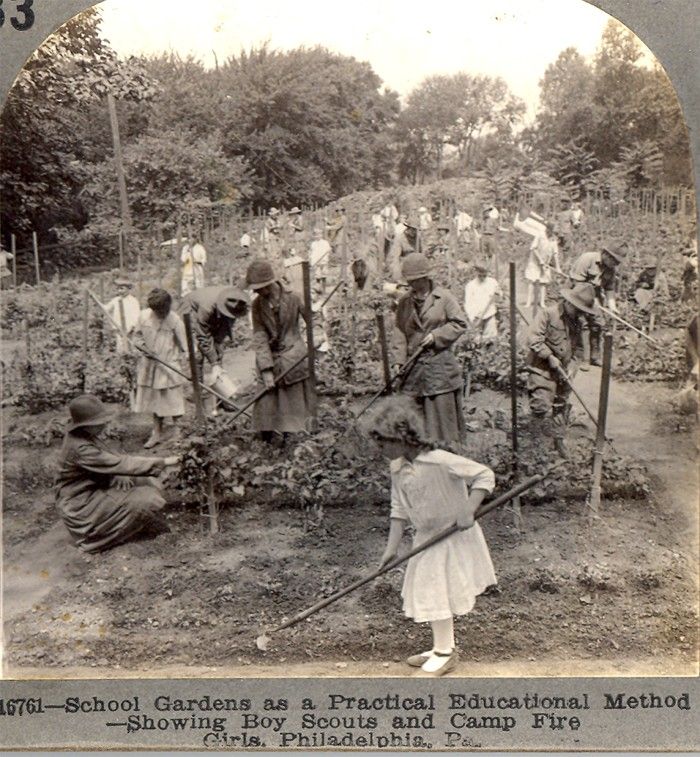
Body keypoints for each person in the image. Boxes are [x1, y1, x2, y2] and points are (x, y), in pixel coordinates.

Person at [370, 396, 497, 676]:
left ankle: (444, 653)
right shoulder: (397, 467)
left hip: (451, 536)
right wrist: (391, 548)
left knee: (437, 590)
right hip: (426, 537)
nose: (379, 449)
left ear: (402, 437)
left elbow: (484, 475)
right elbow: (399, 508)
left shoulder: (440, 461)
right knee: (431, 590)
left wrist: (469, 509)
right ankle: (443, 645)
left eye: (383, 443)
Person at [55, 394, 179, 553]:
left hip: (91, 490)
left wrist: (119, 472)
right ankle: (94, 540)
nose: (104, 424)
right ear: (85, 425)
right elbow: (118, 463)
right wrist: (166, 461)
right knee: (147, 499)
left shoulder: (83, 435)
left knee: (143, 480)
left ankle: (132, 519)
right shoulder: (80, 448)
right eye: (99, 422)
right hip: (80, 505)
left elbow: (110, 458)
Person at [394, 253, 467, 444]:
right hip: (413, 368)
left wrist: (437, 336)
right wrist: (399, 360)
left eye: (414, 281)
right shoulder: (405, 302)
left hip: (439, 366)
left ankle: (445, 453)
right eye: (409, 281)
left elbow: (460, 323)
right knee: (414, 415)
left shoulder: (443, 298)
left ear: (424, 278)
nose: (411, 285)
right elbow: (400, 331)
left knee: (440, 414)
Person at [526, 283, 594, 458]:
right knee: (541, 405)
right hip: (542, 369)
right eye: (578, 309)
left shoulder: (578, 322)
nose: (581, 313)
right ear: (569, 303)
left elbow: (579, 349)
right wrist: (549, 356)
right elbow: (534, 339)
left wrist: (572, 367)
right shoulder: (548, 314)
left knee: (561, 406)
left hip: (563, 371)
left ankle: (558, 441)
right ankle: (535, 446)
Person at [246, 259, 311, 442]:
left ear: (270, 284)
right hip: (271, 356)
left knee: (293, 403)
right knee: (265, 401)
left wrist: (319, 337)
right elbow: (259, 336)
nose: (256, 292)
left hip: (293, 355)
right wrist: (266, 369)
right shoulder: (257, 305)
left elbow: (314, 321)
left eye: (259, 288)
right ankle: (266, 440)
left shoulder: (295, 297)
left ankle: (294, 439)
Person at [133, 289, 187, 448]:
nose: (161, 314)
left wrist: (189, 358)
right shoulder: (144, 317)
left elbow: (186, 346)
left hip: (169, 366)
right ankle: (156, 433)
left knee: (174, 401)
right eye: (158, 311)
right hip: (150, 366)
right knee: (156, 402)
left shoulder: (175, 321)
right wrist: (143, 348)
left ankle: (179, 434)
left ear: (169, 306)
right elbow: (136, 337)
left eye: (164, 310)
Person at [569, 244, 624, 366]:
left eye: (617, 263)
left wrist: (612, 307)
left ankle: (594, 356)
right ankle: (584, 358)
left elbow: (609, 290)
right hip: (576, 294)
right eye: (614, 261)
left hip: (595, 297)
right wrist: (592, 301)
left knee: (598, 325)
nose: (615, 265)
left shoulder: (611, 269)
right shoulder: (587, 258)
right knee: (583, 324)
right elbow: (576, 282)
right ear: (606, 254)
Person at [180, 285, 249, 379]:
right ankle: (198, 387)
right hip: (191, 309)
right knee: (197, 353)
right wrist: (214, 362)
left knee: (218, 349)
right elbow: (202, 336)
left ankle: (220, 380)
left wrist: (218, 351)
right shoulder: (207, 307)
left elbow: (224, 330)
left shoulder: (235, 301)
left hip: (212, 310)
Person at [522, 222, 561, 309]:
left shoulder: (554, 239)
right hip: (534, 261)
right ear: (549, 229)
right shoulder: (540, 235)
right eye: (555, 229)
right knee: (532, 281)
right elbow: (533, 248)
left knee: (543, 283)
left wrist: (558, 267)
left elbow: (555, 254)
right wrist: (540, 260)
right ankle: (528, 302)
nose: (556, 232)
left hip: (545, 263)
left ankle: (542, 303)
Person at [464, 261, 501, 344]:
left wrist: (498, 294)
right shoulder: (470, 286)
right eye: (480, 276)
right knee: (476, 340)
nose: (482, 278)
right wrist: (473, 317)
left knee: (491, 339)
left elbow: (499, 298)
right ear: (476, 273)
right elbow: (468, 304)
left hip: (489, 314)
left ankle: (490, 355)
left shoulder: (492, 282)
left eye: (484, 276)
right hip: (477, 317)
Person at [104, 277, 140, 355]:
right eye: (118, 289)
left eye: (122, 288)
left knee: (130, 345)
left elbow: (137, 315)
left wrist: (132, 327)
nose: (120, 291)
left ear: (128, 289)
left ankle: (130, 358)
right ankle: (122, 359)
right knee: (120, 345)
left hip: (129, 327)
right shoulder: (116, 300)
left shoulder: (133, 301)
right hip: (118, 327)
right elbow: (106, 308)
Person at [309, 227, 332, 294]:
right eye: (316, 235)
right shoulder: (313, 244)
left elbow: (327, 252)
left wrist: (325, 259)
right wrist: (313, 261)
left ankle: (324, 290)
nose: (317, 236)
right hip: (317, 262)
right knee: (318, 277)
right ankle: (318, 290)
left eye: (319, 234)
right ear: (314, 236)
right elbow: (312, 253)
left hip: (324, 262)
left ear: (321, 235)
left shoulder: (325, 243)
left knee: (324, 276)